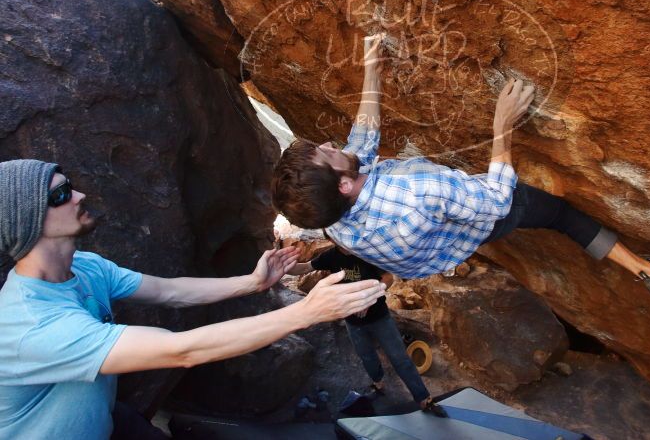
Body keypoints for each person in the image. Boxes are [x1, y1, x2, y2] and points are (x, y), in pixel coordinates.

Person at [271, 34, 650, 297]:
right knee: (560, 214)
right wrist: (502, 125)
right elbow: (496, 200)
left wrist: (372, 70)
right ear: (345, 184)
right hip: (476, 222)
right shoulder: (416, 189)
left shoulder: (329, 213)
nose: (331, 143)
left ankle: (404, 267)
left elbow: (362, 139)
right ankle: (648, 271)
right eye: (326, 152)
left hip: (431, 248)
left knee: (458, 214)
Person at [0, 159, 386, 439]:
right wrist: (306, 312)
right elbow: (181, 350)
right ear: (28, 222)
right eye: (62, 195)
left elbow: (170, 291)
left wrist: (251, 283)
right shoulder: (34, 325)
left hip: (105, 418)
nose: (80, 195)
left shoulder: (84, 266)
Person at [284, 233, 446, 417]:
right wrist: (284, 267)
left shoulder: (366, 252)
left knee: (399, 357)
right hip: (352, 320)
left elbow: (388, 278)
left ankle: (424, 399)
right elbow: (305, 267)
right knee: (366, 356)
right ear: (331, 239)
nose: (341, 239)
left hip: (379, 317)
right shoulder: (331, 256)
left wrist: (369, 298)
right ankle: (378, 384)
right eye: (335, 237)